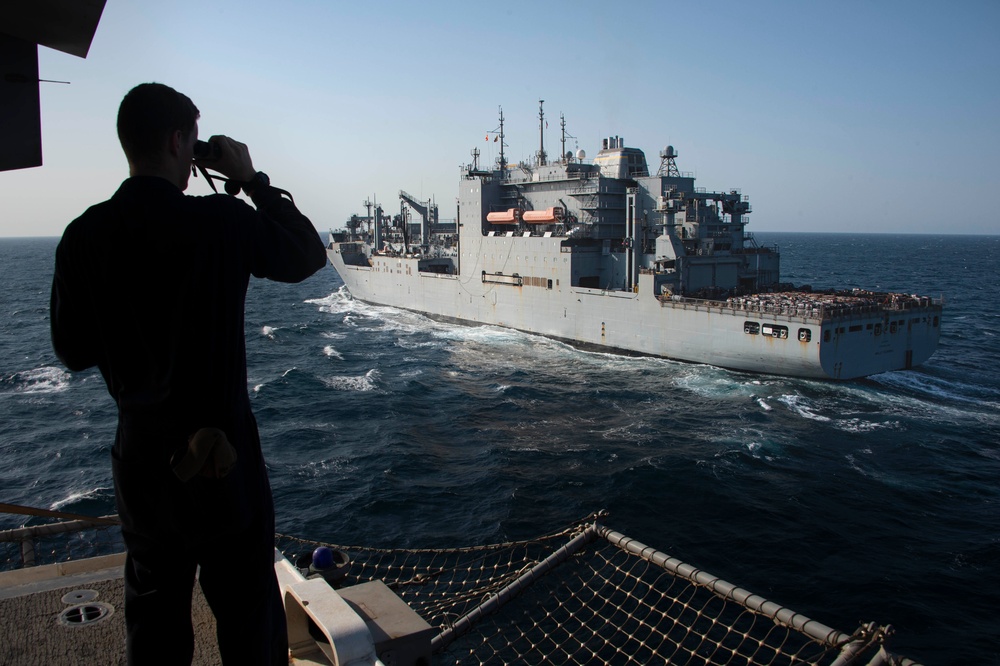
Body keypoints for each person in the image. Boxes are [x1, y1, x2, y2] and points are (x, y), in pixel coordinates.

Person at [50, 82, 327, 664]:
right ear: (180, 141)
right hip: (224, 461)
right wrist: (250, 179)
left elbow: (71, 351)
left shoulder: (84, 236)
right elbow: (306, 254)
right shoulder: (221, 220)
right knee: (249, 616)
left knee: (154, 622)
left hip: (145, 463)